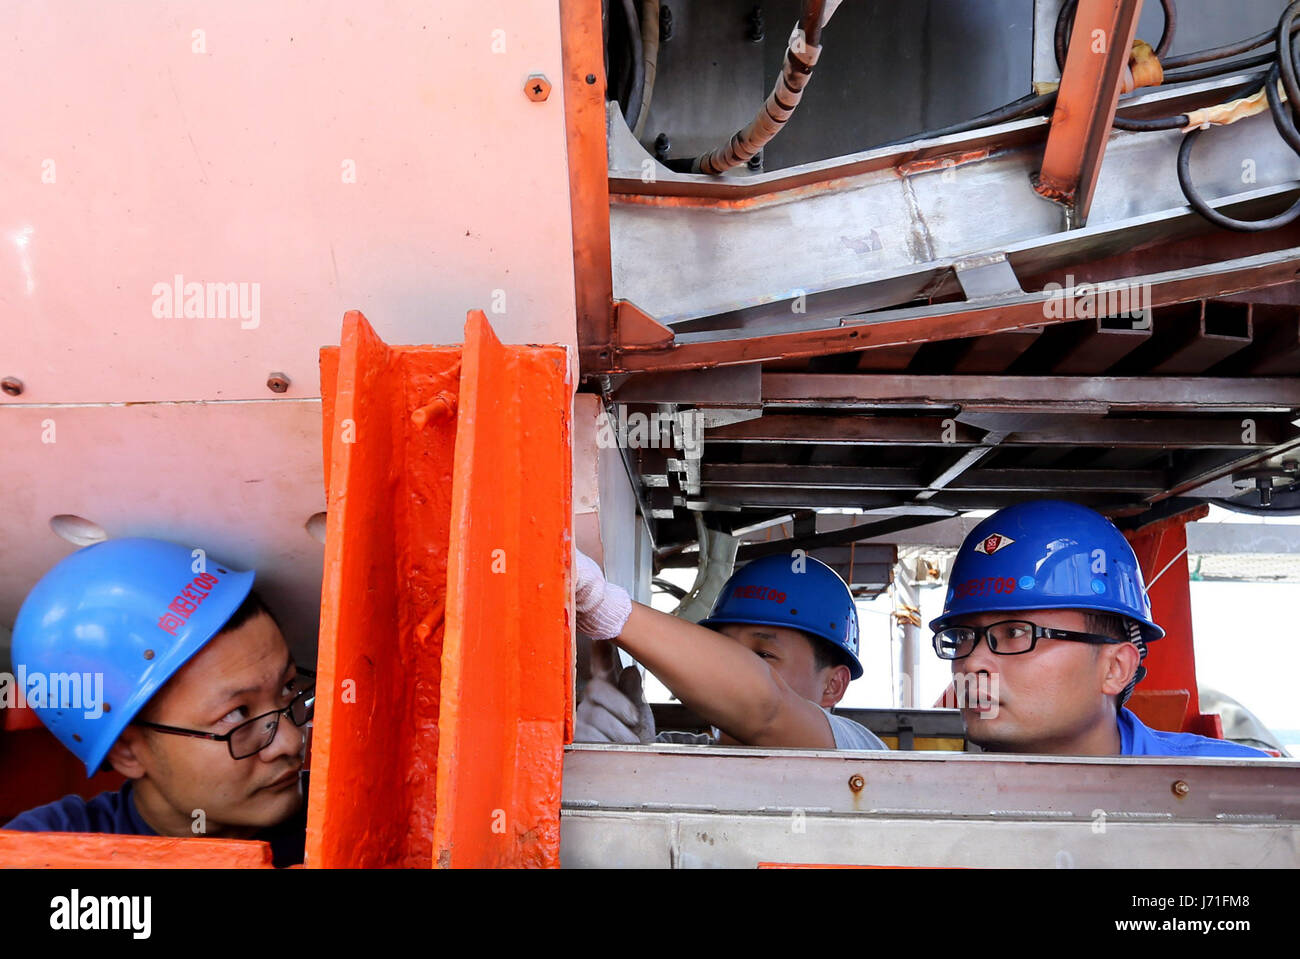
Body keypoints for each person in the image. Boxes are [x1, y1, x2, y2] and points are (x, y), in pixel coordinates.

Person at [3, 538, 312, 866]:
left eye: (288, 687)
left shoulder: (344, 820)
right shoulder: (43, 851)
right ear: (127, 751)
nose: (291, 742)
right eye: (237, 713)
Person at [929, 500, 1268, 758]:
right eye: (962, 637)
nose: (971, 663)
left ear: (1115, 668)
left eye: (1016, 633)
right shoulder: (928, 799)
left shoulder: (1240, 789)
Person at [573, 550, 887, 751]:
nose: (730, 669)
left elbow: (767, 706)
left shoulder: (859, 753)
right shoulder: (677, 754)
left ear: (834, 685)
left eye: (763, 655)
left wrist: (602, 605)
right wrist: (621, 761)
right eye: (723, 649)